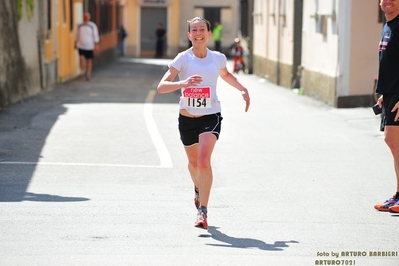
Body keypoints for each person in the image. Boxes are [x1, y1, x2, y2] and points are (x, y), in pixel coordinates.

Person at [157, 17, 250, 230]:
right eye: (194, 30)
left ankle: (203, 211)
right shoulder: (182, 59)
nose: (198, 33)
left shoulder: (218, 58)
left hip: (211, 115)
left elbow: (226, 75)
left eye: (202, 29)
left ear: (208, 34)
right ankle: (198, 188)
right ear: (189, 35)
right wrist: (183, 82)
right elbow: (162, 87)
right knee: (193, 164)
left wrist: (242, 89)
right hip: (187, 118)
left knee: (204, 161)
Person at [374, 0, 399, 213]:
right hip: (391, 93)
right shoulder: (388, 25)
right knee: (394, 142)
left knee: (394, 140)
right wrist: (385, 92)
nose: (388, 1)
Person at [75, 12, 99, 81]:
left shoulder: (92, 26)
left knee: (89, 60)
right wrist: (75, 42)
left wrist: (96, 45)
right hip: (81, 45)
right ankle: (82, 72)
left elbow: (95, 36)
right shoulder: (79, 25)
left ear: (89, 17)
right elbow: (76, 34)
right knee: (81, 58)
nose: (86, 18)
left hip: (90, 46)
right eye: (85, 16)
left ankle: (88, 73)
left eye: (87, 16)